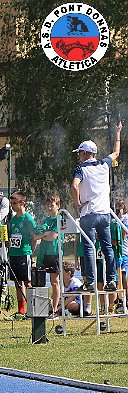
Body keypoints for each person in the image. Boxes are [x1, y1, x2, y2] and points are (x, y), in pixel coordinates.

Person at [72, 124, 122, 292]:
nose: (79, 156)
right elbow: (116, 153)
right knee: (107, 247)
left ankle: (90, 281)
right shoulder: (104, 164)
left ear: (86, 153)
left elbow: (74, 186)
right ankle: (111, 280)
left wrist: (78, 204)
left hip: (89, 213)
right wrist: (118, 133)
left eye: (80, 153)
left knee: (88, 247)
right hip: (104, 213)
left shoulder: (81, 168)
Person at [6, 191, 36, 319]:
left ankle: (32, 309)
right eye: (11, 203)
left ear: (22, 203)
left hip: (24, 254)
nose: (12, 206)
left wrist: (31, 252)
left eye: (14, 203)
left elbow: (34, 237)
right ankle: (21, 310)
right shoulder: (13, 220)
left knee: (27, 282)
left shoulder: (28, 218)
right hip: (14, 254)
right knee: (17, 283)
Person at [33, 195, 62, 314]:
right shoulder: (46, 220)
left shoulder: (59, 219)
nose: (49, 207)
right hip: (43, 254)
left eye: (52, 205)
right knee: (40, 281)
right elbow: (35, 236)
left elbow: (53, 237)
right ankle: (42, 309)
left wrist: (44, 235)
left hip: (54, 253)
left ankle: (54, 309)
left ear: (58, 206)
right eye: (48, 205)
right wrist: (45, 234)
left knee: (54, 282)